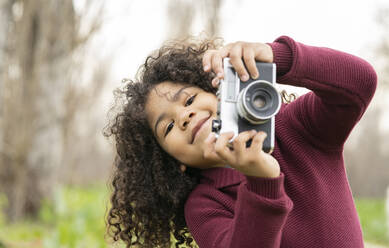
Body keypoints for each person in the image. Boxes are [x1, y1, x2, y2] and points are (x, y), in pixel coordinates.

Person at [104, 35, 377, 248]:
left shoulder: (294, 127)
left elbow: (360, 82)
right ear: (171, 163)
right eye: (169, 126)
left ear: (218, 91)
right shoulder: (204, 205)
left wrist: (277, 58)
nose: (185, 115)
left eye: (189, 99)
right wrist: (263, 184)